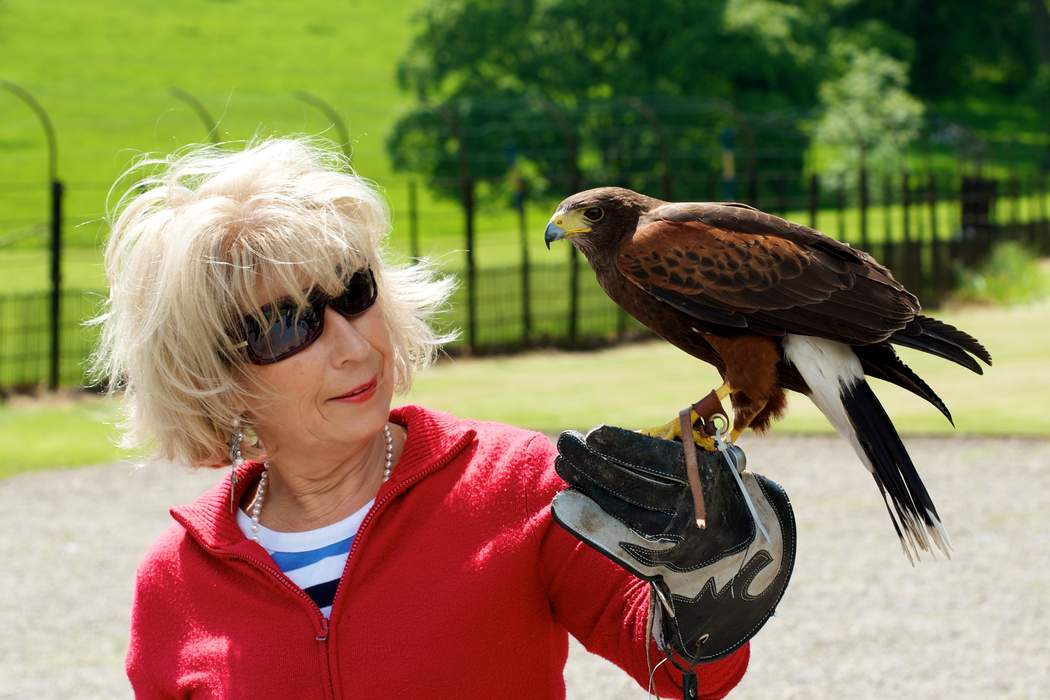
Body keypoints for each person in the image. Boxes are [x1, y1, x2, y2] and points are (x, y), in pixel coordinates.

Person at [95, 138, 786, 698]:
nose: (353, 344)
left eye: (355, 292)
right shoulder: (176, 579)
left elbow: (681, 667)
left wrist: (705, 603)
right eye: (286, 325)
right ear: (214, 372)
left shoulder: (515, 483)